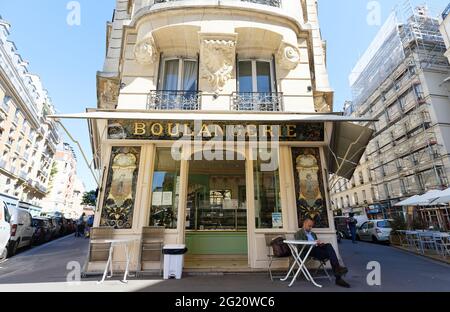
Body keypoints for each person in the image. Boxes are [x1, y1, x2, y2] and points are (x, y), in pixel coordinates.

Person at [295, 217, 350, 288]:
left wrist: (319, 244)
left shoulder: (313, 234)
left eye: (311, 226)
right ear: (304, 224)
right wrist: (313, 243)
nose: (311, 228)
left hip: (317, 250)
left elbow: (316, 243)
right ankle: (338, 275)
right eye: (309, 226)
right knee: (331, 253)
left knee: (328, 246)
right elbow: (300, 245)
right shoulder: (298, 234)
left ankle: (338, 276)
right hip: (308, 252)